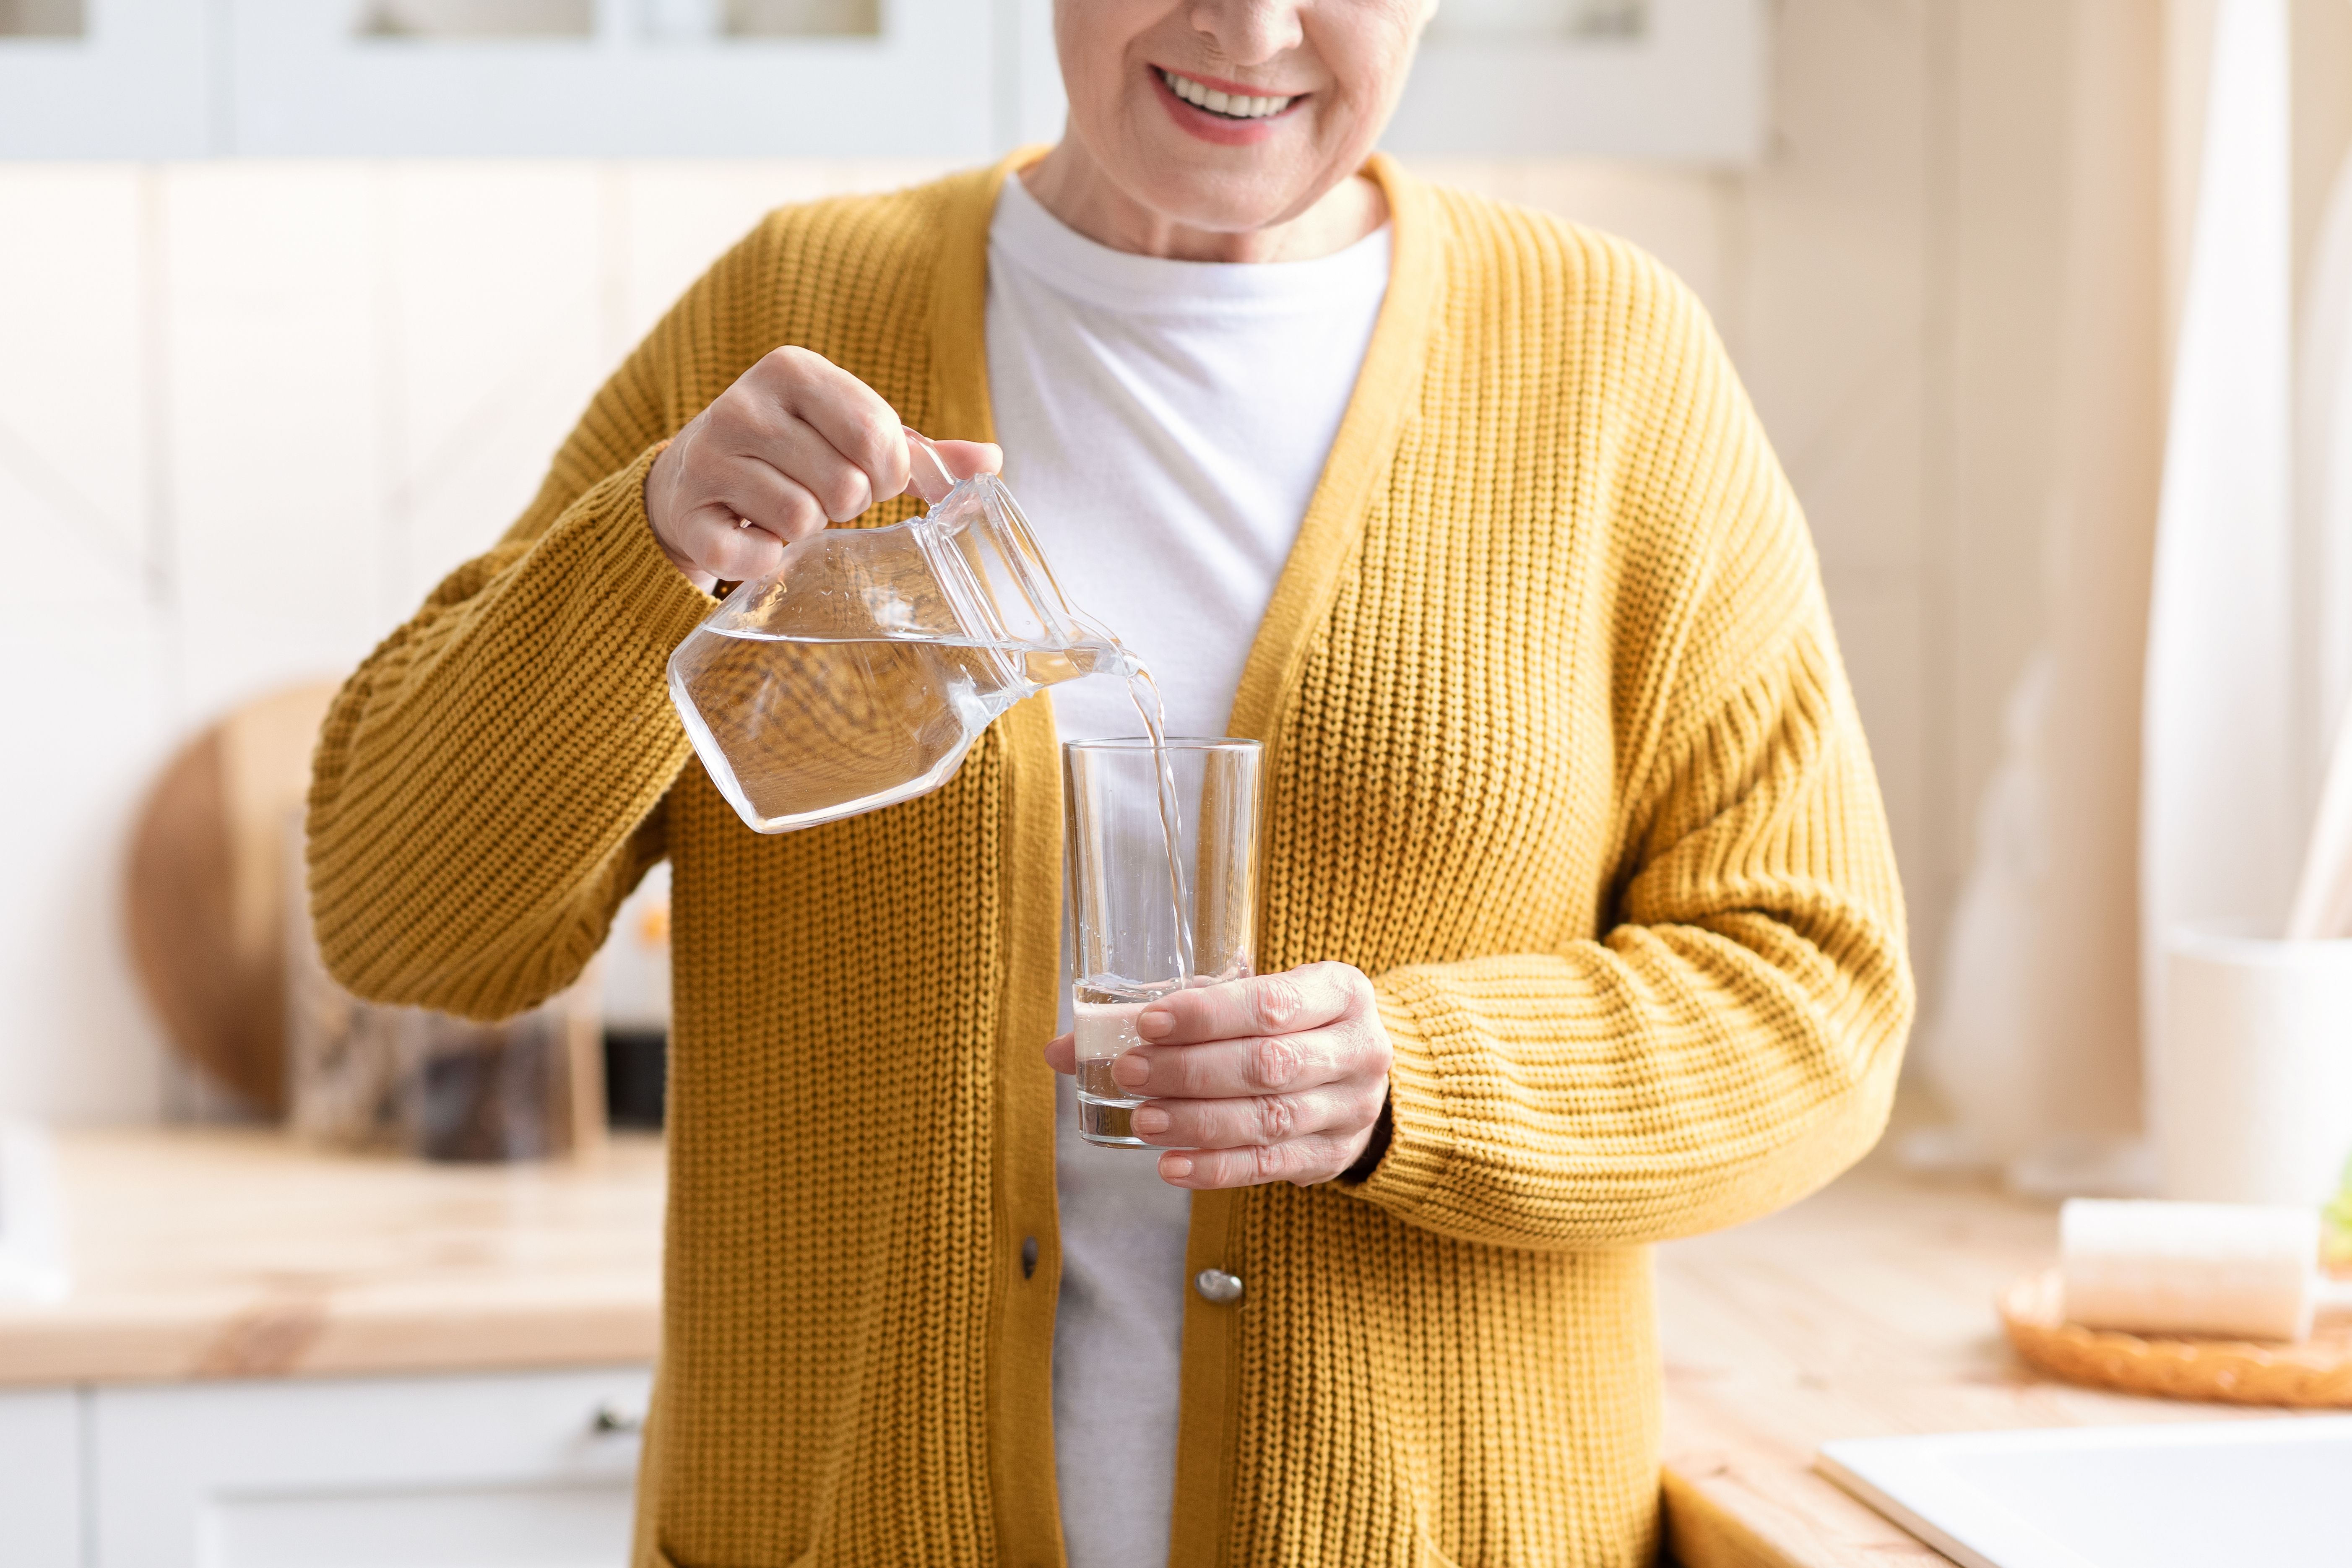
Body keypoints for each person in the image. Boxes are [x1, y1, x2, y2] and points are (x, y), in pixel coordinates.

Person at [305, 0, 1914, 1563]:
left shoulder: (1609, 362)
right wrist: (651, 546)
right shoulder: (796, 308)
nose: (1253, 29)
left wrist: (1407, 1076)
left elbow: (1814, 990)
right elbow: (401, 917)